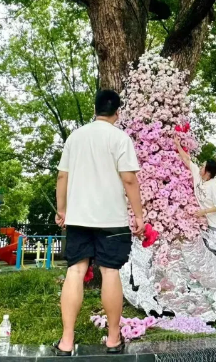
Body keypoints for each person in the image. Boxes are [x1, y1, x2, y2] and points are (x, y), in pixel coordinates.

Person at [53, 89, 144, 356]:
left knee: (75, 271)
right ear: (118, 112)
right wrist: (139, 215)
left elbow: (62, 176)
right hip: (112, 219)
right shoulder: (120, 138)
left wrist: (62, 210)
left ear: (95, 109)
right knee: (110, 272)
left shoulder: (75, 137)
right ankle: (113, 340)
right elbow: (129, 179)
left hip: (79, 218)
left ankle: (66, 341)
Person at [174, 136, 216, 235]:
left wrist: (203, 211)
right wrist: (177, 145)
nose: (200, 167)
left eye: (203, 166)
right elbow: (186, 159)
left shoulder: (213, 186)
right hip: (203, 223)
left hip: (215, 225)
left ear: (208, 172)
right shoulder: (197, 174)